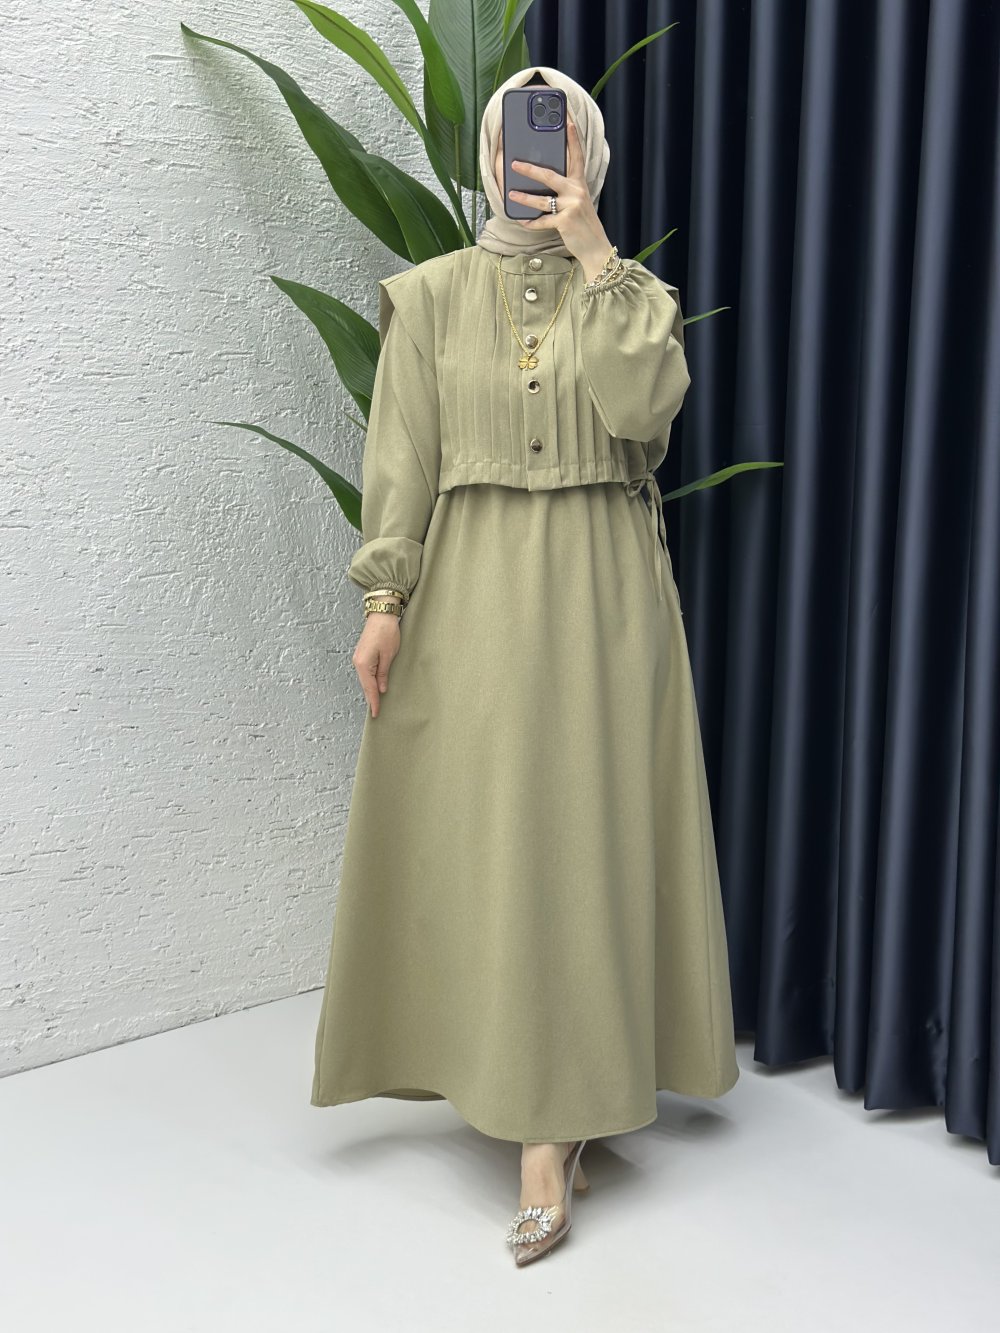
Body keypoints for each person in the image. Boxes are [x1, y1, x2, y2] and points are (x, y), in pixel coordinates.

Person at [310, 64, 740, 1267]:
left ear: (583, 156)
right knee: (495, 841)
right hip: (475, 593)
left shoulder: (632, 297)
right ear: (490, 155)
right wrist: (384, 601)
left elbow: (643, 417)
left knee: (586, 839)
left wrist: (597, 256)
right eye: (510, 140)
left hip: (604, 592)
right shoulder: (430, 297)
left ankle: (557, 1124)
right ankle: (525, 1095)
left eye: (548, 142)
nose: (526, 161)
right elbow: (402, 456)